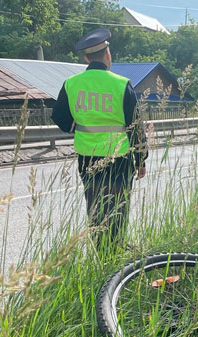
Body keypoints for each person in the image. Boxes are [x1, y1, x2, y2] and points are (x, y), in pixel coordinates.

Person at [51, 28, 147, 249]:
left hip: (88, 158)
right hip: (119, 159)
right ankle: (116, 250)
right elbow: (135, 126)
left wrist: (75, 126)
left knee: (95, 208)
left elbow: (59, 116)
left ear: (86, 58)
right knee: (118, 208)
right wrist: (140, 160)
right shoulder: (121, 84)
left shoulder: (71, 83)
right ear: (107, 54)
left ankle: (100, 252)